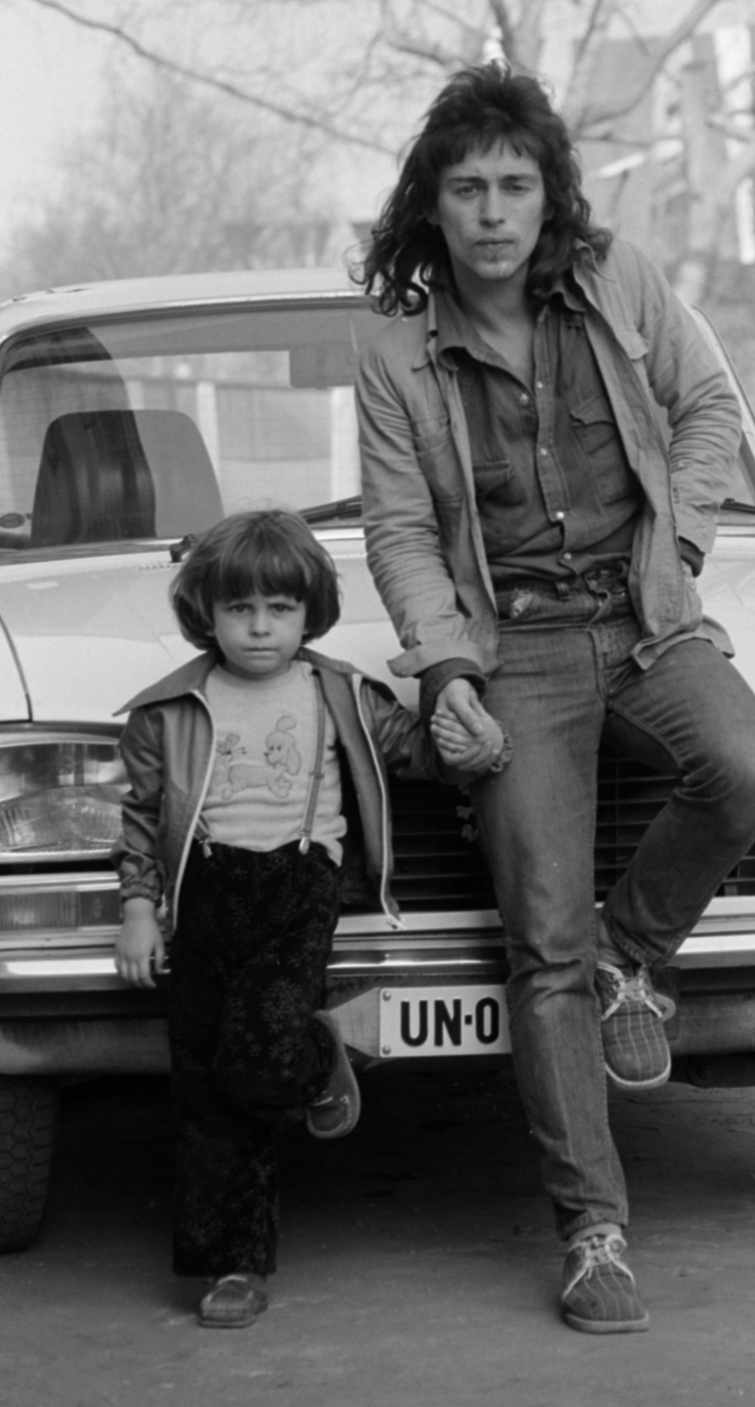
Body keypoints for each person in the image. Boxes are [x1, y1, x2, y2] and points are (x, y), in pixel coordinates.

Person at [354, 63, 755, 1335]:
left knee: (748, 766)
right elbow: (398, 533)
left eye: (515, 184)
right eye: (467, 187)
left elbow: (705, 410)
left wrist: (684, 548)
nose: (493, 210)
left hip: (645, 614)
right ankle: (594, 1232)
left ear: (551, 197)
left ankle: (632, 953)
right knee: (536, 942)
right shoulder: (393, 354)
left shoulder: (623, 280)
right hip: (517, 647)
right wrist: (445, 672)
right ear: (430, 207)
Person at [113, 508, 505, 1329]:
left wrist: (470, 746)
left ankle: (317, 1048)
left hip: (298, 889)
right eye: (239, 610)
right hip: (204, 898)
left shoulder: (341, 694)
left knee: (256, 1067)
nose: (259, 629)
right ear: (206, 614)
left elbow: (416, 753)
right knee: (205, 1089)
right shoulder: (168, 709)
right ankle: (233, 1265)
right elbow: (143, 820)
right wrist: (139, 913)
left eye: (279, 610)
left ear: (308, 612)